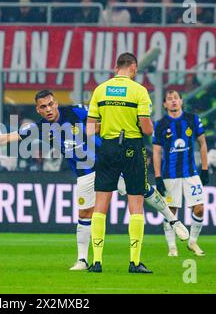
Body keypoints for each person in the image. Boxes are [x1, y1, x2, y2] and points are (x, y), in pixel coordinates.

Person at [0, 87, 187, 272]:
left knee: (142, 189)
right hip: (84, 174)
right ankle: (82, 260)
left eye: (51, 104)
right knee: (84, 214)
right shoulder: (40, 128)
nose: (48, 109)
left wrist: (106, 129)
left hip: (107, 164)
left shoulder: (76, 112)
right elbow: (8, 137)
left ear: (56, 103)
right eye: (43, 107)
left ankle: (173, 220)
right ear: (38, 111)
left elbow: (103, 119)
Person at [86, 52, 154, 274]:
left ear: (116, 67)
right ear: (133, 67)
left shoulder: (100, 89)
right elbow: (147, 129)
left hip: (107, 148)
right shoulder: (139, 91)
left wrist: (108, 123)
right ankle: (134, 262)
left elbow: (89, 129)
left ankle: (96, 261)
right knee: (136, 205)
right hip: (132, 148)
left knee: (100, 205)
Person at [152, 90, 209, 257]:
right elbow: (156, 152)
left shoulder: (193, 119)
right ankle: (172, 247)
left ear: (181, 101)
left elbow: (203, 144)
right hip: (170, 175)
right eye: (169, 99)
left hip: (191, 173)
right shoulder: (160, 124)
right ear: (164, 104)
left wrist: (204, 168)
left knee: (199, 209)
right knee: (170, 211)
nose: (173, 101)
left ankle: (192, 242)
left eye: (176, 98)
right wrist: (157, 176)